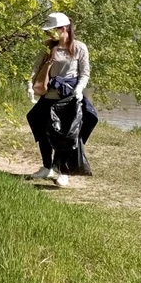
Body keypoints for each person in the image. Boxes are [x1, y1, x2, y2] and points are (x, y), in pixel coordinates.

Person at [26, 12, 98, 187]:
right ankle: (47, 167)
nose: (49, 34)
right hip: (48, 96)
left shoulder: (79, 48)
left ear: (63, 29)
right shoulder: (47, 47)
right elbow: (36, 68)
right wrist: (29, 84)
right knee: (42, 130)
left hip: (68, 99)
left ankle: (64, 172)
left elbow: (84, 73)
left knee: (65, 136)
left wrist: (79, 89)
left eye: (52, 30)